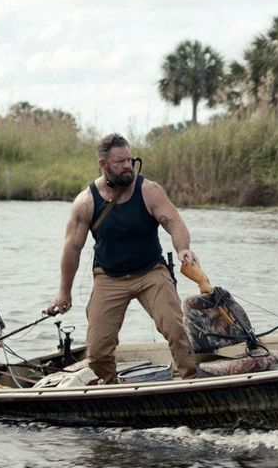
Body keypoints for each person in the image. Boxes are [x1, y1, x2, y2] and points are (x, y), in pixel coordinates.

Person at [46, 133, 198, 382]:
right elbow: (72, 249)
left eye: (130, 159)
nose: (127, 165)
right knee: (98, 348)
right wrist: (64, 292)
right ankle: (109, 388)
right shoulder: (86, 202)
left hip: (151, 273)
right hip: (109, 278)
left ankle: (190, 380)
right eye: (120, 162)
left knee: (176, 329)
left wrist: (183, 248)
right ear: (103, 164)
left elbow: (175, 223)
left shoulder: (149, 191)